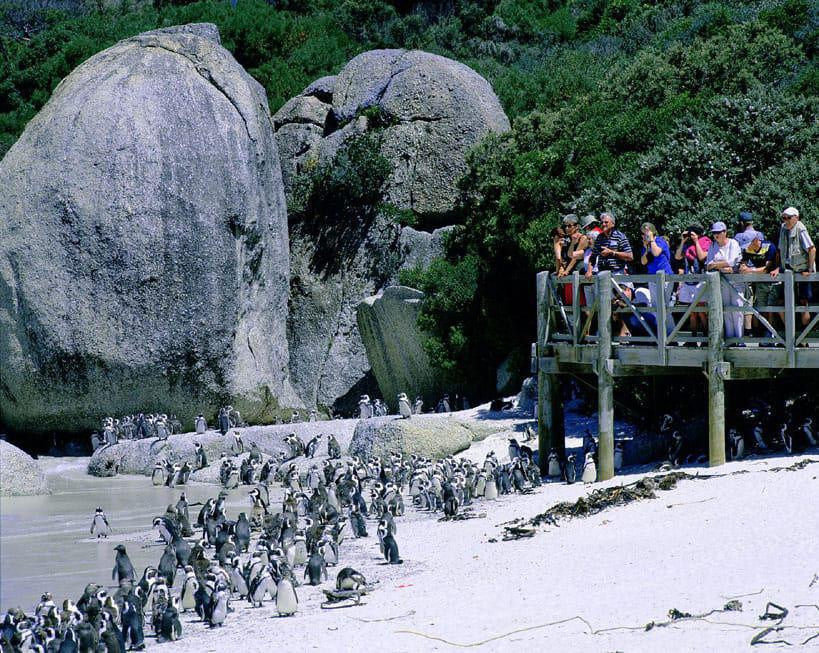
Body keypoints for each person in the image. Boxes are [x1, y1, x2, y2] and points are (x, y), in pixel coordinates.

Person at [585, 212, 633, 336]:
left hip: (617, 275)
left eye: (606, 222)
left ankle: (623, 334)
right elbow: (593, 257)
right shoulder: (600, 238)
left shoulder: (620, 236)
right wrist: (589, 270)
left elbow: (630, 256)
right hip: (603, 275)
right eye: (602, 222)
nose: (603, 224)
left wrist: (612, 253)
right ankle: (606, 335)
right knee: (604, 307)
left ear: (613, 223)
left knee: (620, 306)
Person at [772, 206, 815, 328]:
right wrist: (778, 267)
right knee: (781, 302)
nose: (786, 220)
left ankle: (802, 337)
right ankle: (792, 334)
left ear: (797, 218)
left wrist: (810, 270)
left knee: (803, 303)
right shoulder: (782, 229)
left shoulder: (801, 229)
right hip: (787, 270)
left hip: (802, 271)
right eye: (784, 218)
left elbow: (812, 249)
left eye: (789, 218)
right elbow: (780, 251)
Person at [705, 221, 744, 339]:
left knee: (737, 308)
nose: (716, 235)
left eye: (718, 232)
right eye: (714, 233)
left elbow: (732, 262)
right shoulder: (713, 246)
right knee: (726, 309)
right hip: (721, 281)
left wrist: (717, 265)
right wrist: (723, 266)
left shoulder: (733, 243)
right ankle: (730, 338)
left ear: (725, 232)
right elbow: (708, 264)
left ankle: (740, 338)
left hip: (735, 281)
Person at [674, 225, 711, 345]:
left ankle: (706, 338)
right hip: (688, 280)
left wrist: (696, 242)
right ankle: (693, 339)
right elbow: (677, 256)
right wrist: (683, 240)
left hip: (700, 280)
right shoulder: (686, 245)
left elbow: (701, 257)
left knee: (701, 311)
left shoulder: (705, 242)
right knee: (692, 312)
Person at [739, 230, 778, 339]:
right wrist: (743, 268)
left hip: (774, 281)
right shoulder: (747, 249)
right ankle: (765, 333)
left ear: (757, 241)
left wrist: (750, 270)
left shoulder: (770, 247)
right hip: (761, 281)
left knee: (771, 308)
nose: (748, 246)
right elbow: (743, 265)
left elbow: (766, 269)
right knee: (761, 307)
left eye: (750, 242)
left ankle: (772, 334)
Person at [639, 221, 673, 310]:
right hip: (652, 277)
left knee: (664, 306)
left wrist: (652, 240)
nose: (643, 236)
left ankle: (668, 324)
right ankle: (658, 324)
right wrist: (646, 248)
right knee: (655, 306)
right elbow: (643, 262)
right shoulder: (645, 245)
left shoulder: (660, 241)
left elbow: (656, 253)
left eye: (646, 233)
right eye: (642, 234)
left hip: (665, 277)